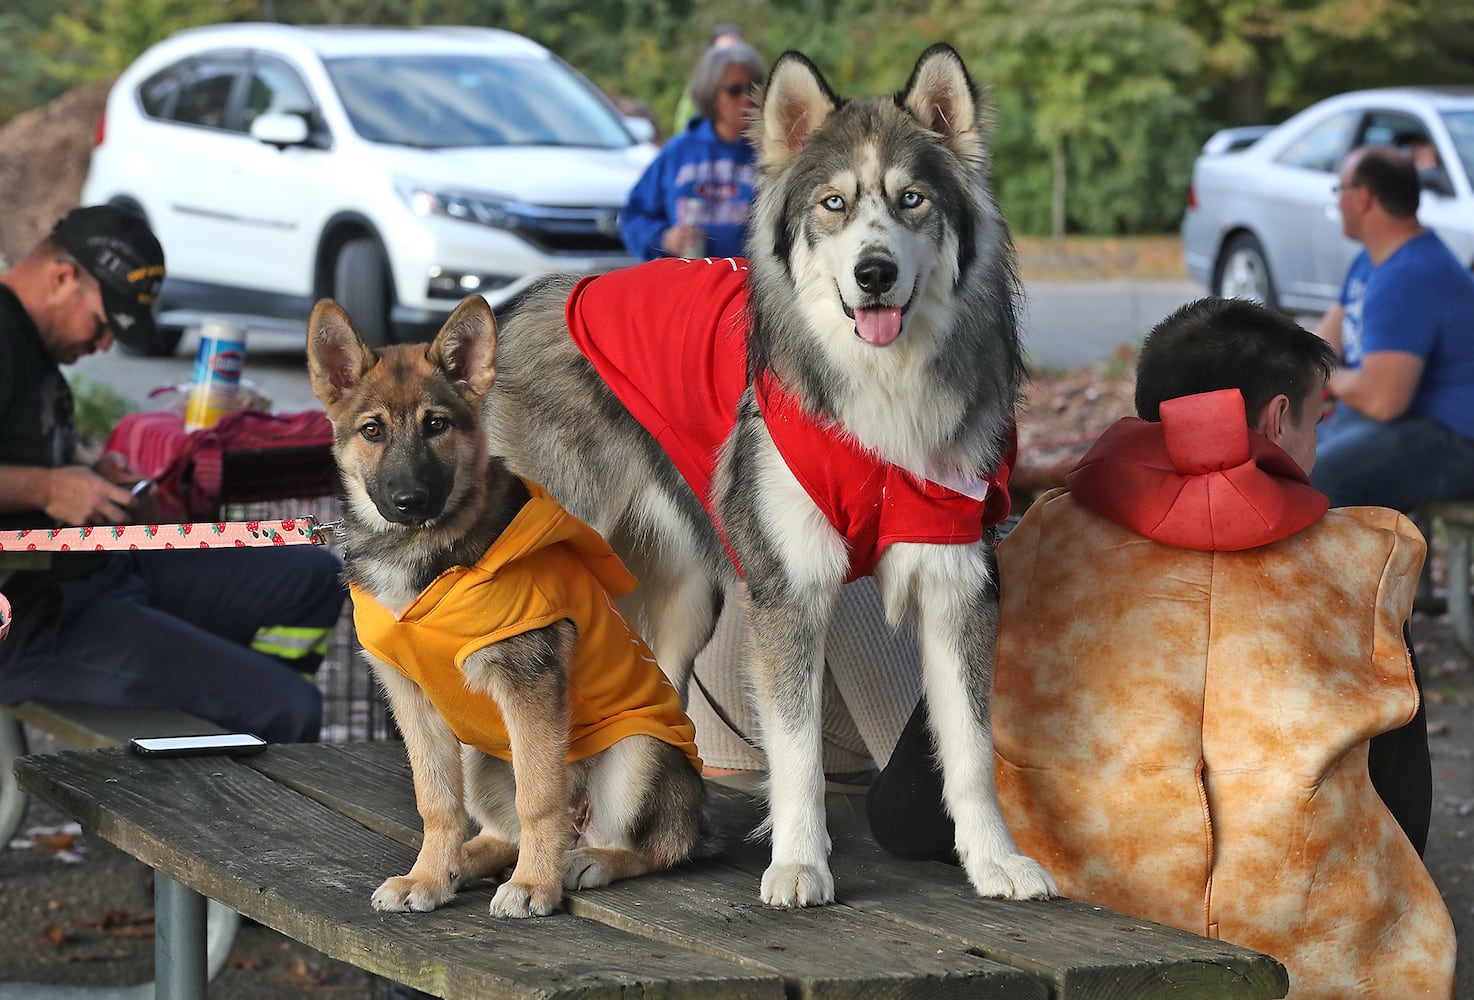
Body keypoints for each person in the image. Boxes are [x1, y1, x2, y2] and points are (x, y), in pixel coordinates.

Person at [868, 297, 1455, 999]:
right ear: (1275, 420)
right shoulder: (1369, 566)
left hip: (1077, 959)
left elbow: (906, 815)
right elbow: (1404, 827)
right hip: (1318, 971)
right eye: (1315, 420)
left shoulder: (1034, 553)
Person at [0, 206, 345, 743]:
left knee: (314, 576)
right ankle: (239, 785)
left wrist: (90, 473)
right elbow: (34, 483)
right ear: (63, 276)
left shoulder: (33, 343)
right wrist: (48, 488)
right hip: (33, 621)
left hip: (104, 571)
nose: (105, 345)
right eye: (101, 322)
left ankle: (224, 721)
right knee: (291, 709)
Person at [1310, 144, 1474, 511]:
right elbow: (1320, 344)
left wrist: (1330, 376)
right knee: (1285, 455)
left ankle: (1381, 570)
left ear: (1363, 197)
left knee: (1321, 473)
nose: (1338, 203)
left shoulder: (1411, 274)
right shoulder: (1373, 260)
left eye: (1341, 191)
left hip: (1457, 437)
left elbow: (1382, 401)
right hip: (1411, 422)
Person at [621, 41, 765, 261]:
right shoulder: (679, 152)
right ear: (711, 95)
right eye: (735, 90)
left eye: (754, 87)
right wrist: (665, 238)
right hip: (688, 283)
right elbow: (633, 217)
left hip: (750, 286)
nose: (747, 98)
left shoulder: (772, 152)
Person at [670, 24, 746, 137]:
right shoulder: (698, 89)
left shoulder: (753, 85)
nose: (729, 57)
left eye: (735, 50)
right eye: (722, 52)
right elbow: (683, 126)